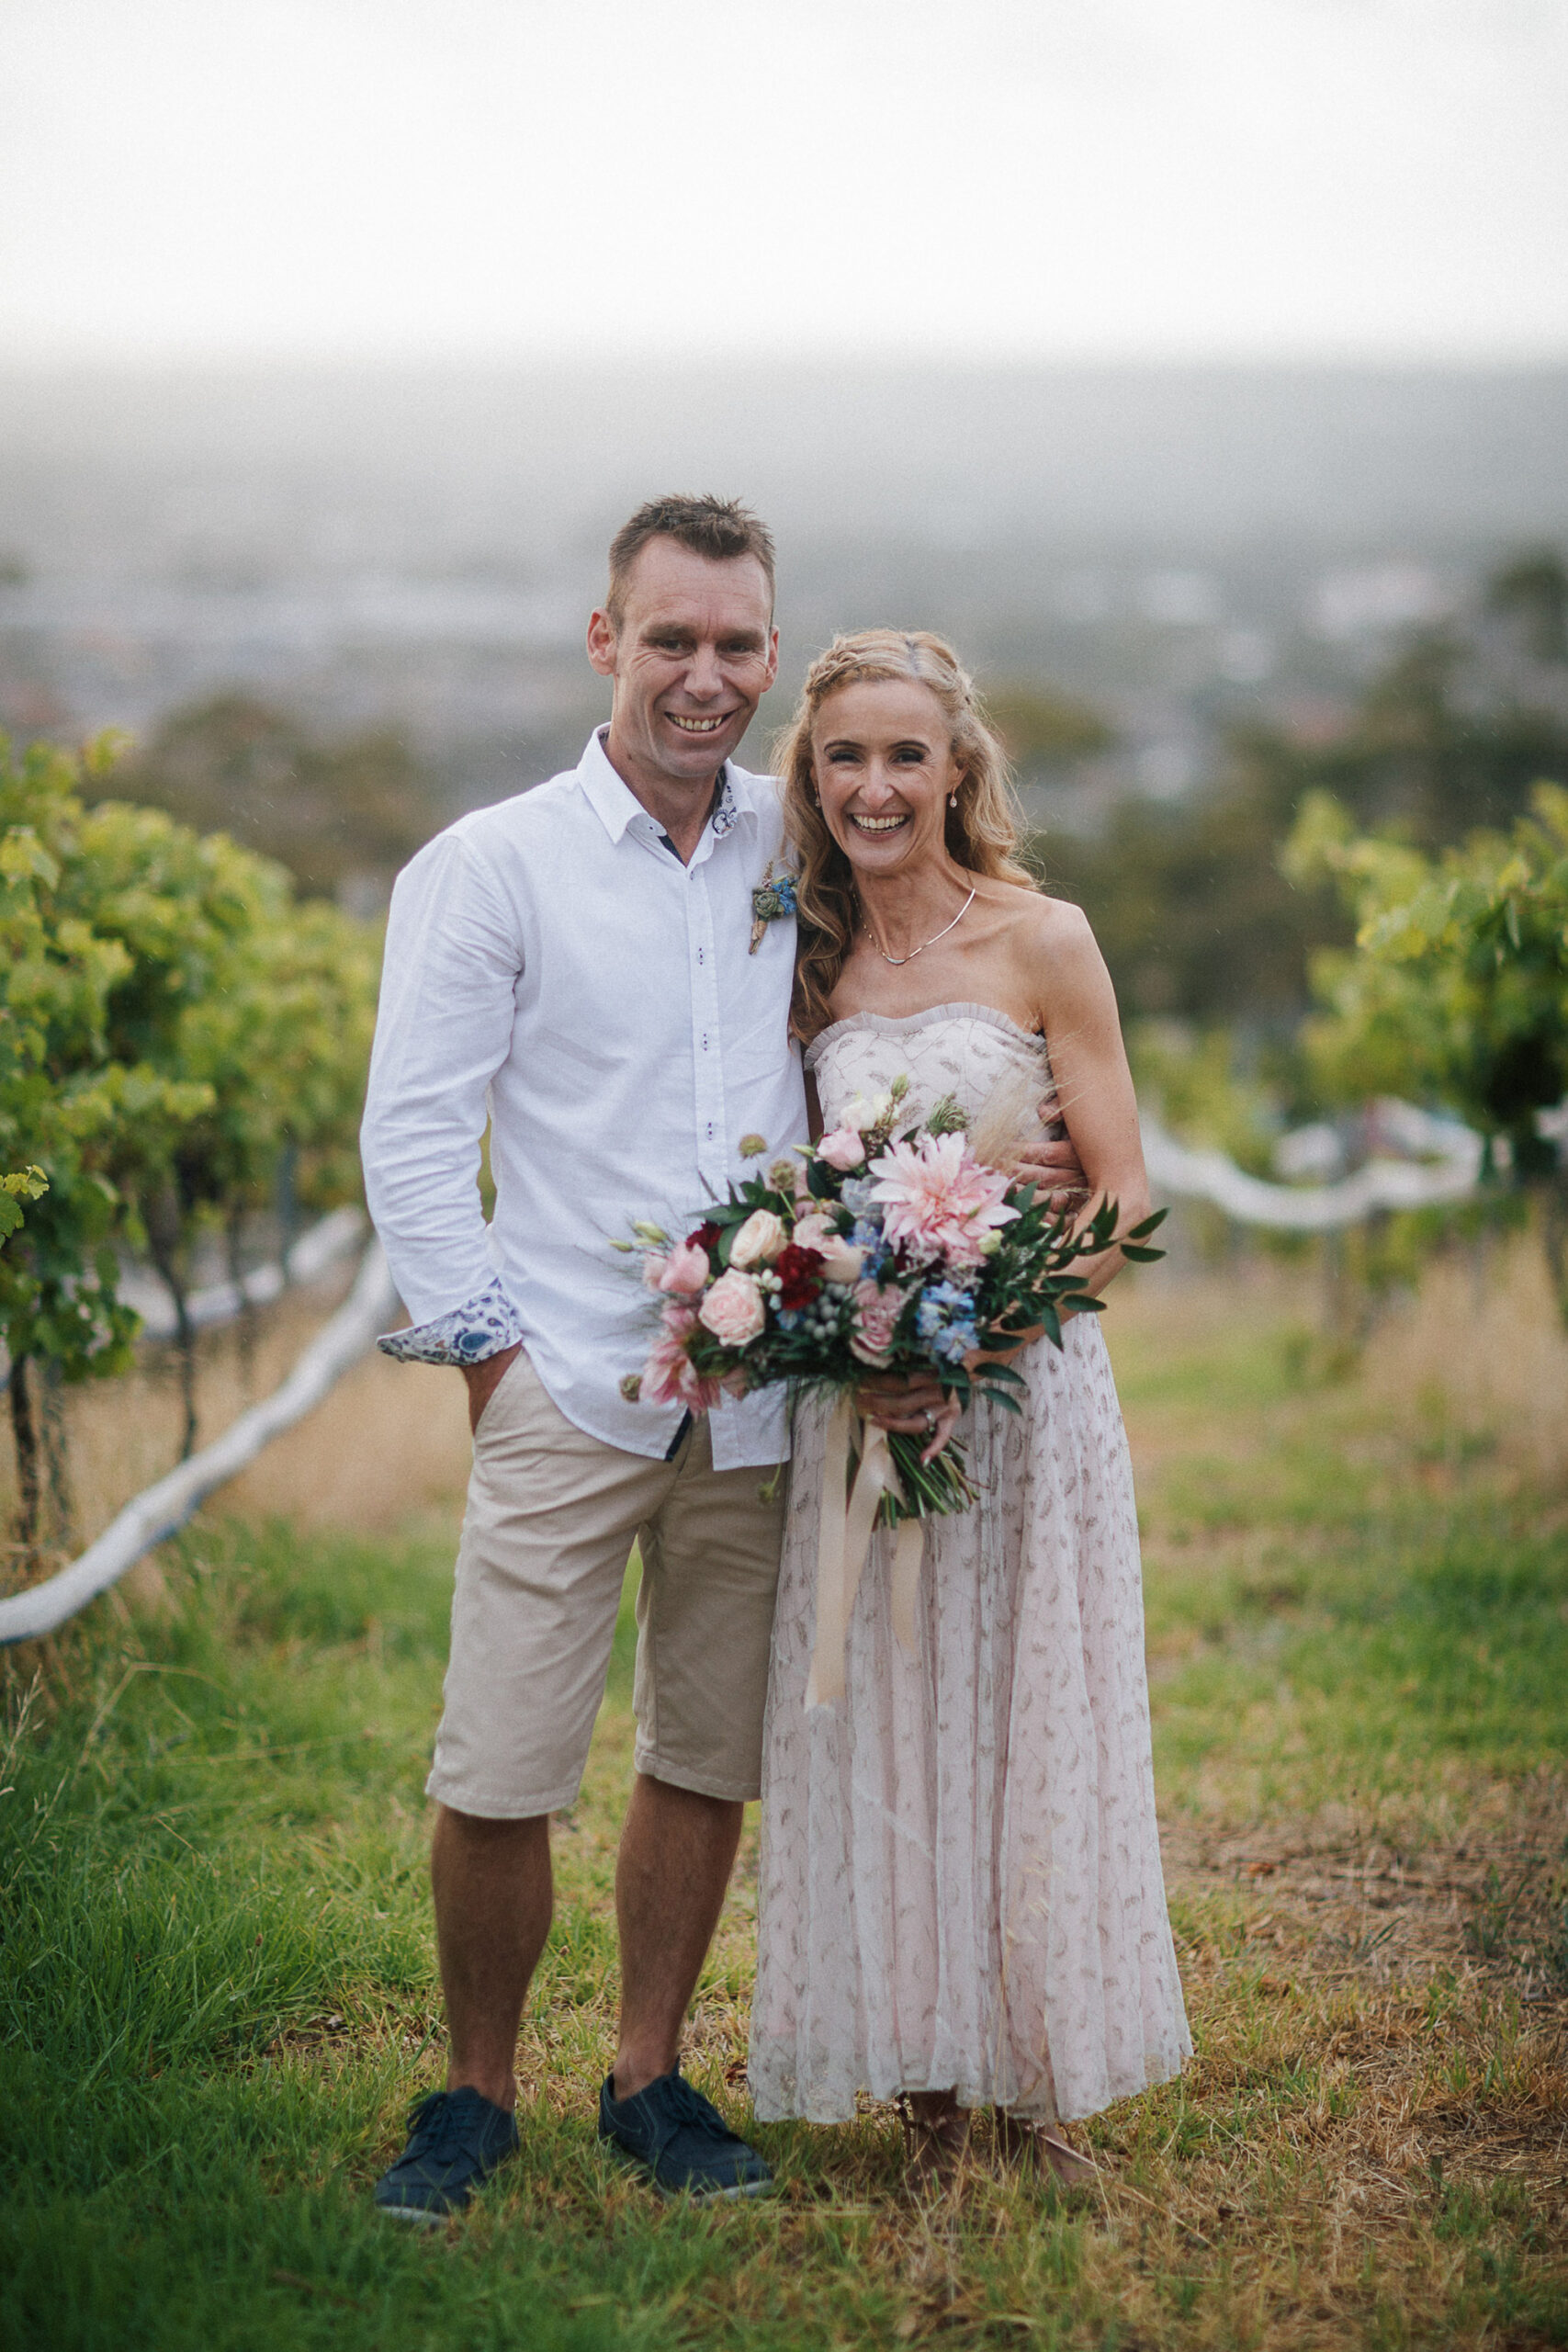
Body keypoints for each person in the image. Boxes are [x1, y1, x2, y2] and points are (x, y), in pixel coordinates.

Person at [360, 497, 1098, 2220]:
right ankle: (471, 2096)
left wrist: (1030, 1155)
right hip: (565, 1379)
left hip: (774, 1401)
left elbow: (962, 971)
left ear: (772, 660)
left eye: (737, 646)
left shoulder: (815, 838)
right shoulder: (493, 864)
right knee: (501, 1760)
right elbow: (413, 1139)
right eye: (672, 639)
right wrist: (492, 1365)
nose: (705, 676)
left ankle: (648, 2076)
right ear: (606, 641)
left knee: (706, 1751)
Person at [748, 629, 1190, 2187]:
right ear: (812, 777)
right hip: (868, 1411)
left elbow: (1125, 1199)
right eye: (843, 758)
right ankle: (927, 2097)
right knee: (887, 1723)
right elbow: (783, 1194)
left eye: (906, 755)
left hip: (1027, 1403)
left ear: (958, 770)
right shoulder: (801, 967)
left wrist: (993, 1324)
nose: (875, 787)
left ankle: (1038, 2089)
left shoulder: (1044, 940)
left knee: (1026, 1729)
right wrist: (865, 1339)